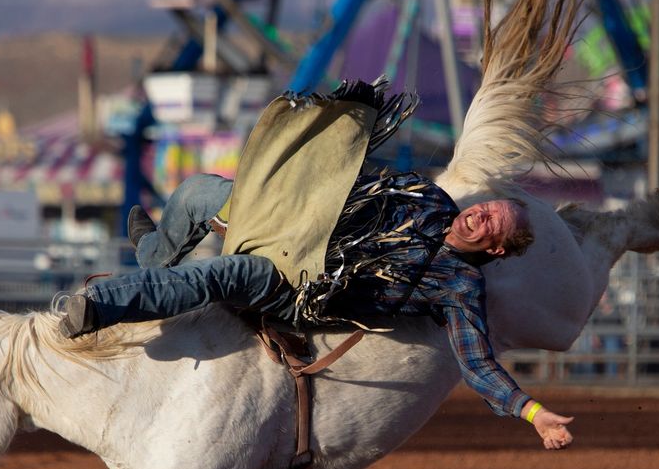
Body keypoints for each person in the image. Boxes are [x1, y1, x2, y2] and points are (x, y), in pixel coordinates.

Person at [59, 168, 575, 450]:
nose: (479, 214)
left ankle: (96, 308)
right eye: (484, 208)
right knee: (200, 191)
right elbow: (350, 176)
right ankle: (152, 254)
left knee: (225, 276)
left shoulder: (458, 286)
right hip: (293, 228)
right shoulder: (428, 198)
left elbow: (477, 363)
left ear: (496, 250)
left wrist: (532, 413)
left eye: (491, 224)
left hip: (301, 288)